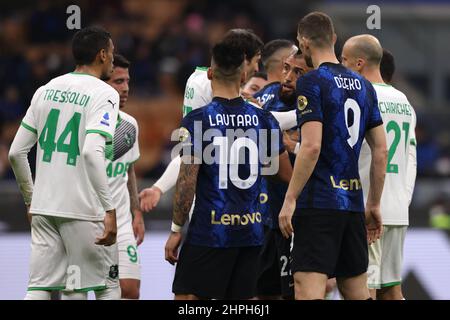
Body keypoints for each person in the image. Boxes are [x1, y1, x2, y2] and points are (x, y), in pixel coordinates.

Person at [165, 39, 292, 300]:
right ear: (244, 74)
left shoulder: (195, 120)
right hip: (251, 232)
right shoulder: (264, 119)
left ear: (210, 73)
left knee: (188, 301)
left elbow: (186, 183)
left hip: (210, 232)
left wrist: (177, 229)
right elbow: (283, 174)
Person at [278, 12, 388, 300]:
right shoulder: (364, 85)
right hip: (352, 205)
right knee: (355, 290)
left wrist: (290, 199)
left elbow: (311, 146)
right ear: (335, 39)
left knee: (308, 289)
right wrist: (373, 202)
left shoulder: (312, 82)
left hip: (319, 204)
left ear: (303, 42)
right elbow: (380, 148)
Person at [8, 26, 120, 300]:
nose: (114, 61)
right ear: (102, 54)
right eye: (113, 54)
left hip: (45, 207)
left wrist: (31, 200)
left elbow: (15, 153)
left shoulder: (45, 90)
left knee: (41, 288)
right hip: (83, 208)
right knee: (106, 286)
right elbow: (91, 153)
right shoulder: (104, 93)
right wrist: (110, 209)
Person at [140, 31, 298, 213]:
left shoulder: (196, 79)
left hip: (208, 194)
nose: (256, 68)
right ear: (243, 59)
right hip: (224, 200)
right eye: (255, 60)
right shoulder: (218, 90)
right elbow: (269, 121)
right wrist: (307, 113)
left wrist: (158, 188)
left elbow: (187, 156)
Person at [341, 34, 417, 300]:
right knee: (392, 289)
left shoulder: (360, 97)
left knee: (366, 289)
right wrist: (403, 200)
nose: (342, 67)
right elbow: (411, 158)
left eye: (344, 61)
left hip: (367, 207)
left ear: (360, 63)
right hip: (397, 207)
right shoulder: (404, 101)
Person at [256, 53, 311, 300]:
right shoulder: (268, 97)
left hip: (300, 221)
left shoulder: (319, 106)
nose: (287, 78)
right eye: (286, 69)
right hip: (265, 219)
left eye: (298, 73)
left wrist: (294, 147)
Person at [105, 54, 145, 299]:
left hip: (121, 221)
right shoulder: (83, 122)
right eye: (118, 82)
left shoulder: (129, 124)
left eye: (127, 81)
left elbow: (128, 169)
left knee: (129, 290)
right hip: (87, 220)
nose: (125, 88)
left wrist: (137, 212)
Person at [254, 39, 298, 107]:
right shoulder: (290, 97)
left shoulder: (254, 99)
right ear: (286, 61)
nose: (301, 58)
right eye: (296, 55)